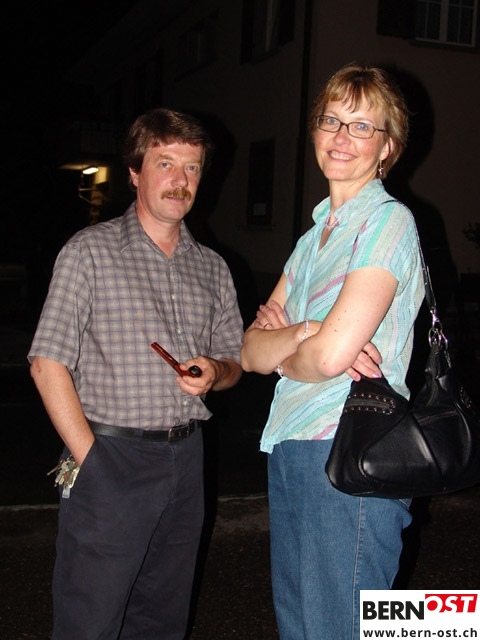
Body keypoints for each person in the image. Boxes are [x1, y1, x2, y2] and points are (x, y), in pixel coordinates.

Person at [28, 107, 244, 640]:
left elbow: (235, 362)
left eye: (191, 167)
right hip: (111, 451)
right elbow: (47, 362)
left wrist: (215, 371)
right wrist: (93, 462)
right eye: (165, 163)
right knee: (90, 620)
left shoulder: (212, 267)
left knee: (163, 617)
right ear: (134, 173)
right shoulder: (89, 252)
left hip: (187, 457)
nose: (180, 180)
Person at [241, 62, 425, 639]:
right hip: (291, 444)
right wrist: (306, 331)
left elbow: (329, 358)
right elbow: (249, 352)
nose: (341, 137)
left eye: (362, 125)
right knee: (300, 627)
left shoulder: (388, 223)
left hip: (350, 448)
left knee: (337, 628)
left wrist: (298, 346)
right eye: (331, 120)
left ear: (387, 147)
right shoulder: (309, 240)